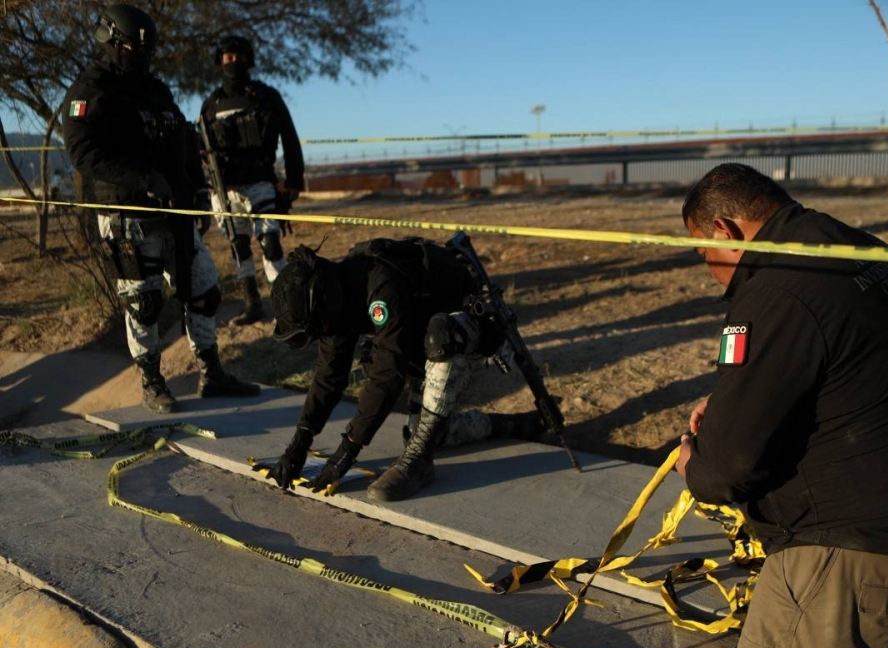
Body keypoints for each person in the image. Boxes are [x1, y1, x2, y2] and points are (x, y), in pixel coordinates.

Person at [675, 163, 888, 648]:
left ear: (724, 230)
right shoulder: (863, 252)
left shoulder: (776, 290)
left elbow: (727, 470)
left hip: (851, 568)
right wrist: (741, 399)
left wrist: (695, 462)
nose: (710, 271)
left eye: (703, 253)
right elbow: (853, 375)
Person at [63, 4, 260, 414]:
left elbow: (184, 138)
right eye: (135, 50)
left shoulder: (155, 89)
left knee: (204, 289)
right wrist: (143, 178)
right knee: (144, 302)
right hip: (126, 214)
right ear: (112, 42)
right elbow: (83, 152)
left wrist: (199, 193)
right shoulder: (91, 89)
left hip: (174, 212)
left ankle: (211, 374)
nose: (143, 57)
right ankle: (152, 383)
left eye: (147, 51)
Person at [267, 237, 543, 502]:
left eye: (318, 328)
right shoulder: (335, 297)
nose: (322, 333)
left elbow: (387, 375)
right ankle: (519, 425)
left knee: (440, 337)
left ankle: (419, 463)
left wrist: (348, 449)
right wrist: (300, 441)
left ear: (324, 300)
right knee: (428, 433)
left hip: (471, 334)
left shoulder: (379, 286)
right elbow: (328, 376)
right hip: (422, 342)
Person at [198, 35, 305, 326]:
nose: (233, 62)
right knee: (239, 246)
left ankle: (286, 307)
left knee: (271, 243)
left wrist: (294, 180)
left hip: (261, 182)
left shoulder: (267, 96)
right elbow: (200, 146)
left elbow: (290, 138)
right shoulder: (211, 104)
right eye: (227, 57)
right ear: (220, 60)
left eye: (238, 57)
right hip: (225, 189)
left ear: (248, 60)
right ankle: (252, 305)